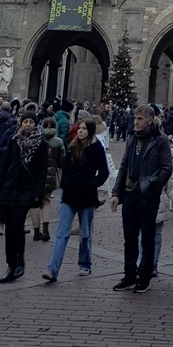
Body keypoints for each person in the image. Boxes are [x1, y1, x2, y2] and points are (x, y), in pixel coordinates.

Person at [110, 105, 172, 294]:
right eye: (135, 118)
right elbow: (124, 165)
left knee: (147, 239)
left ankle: (144, 277)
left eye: (139, 119)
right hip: (129, 194)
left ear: (150, 121)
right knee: (129, 239)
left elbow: (166, 168)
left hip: (147, 195)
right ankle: (129, 275)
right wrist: (116, 193)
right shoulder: (131, 137)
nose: (135, 122)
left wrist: (153, 186)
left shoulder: (159, 140)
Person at [43, 119, 109, 282]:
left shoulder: (96, 149)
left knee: (85, 233)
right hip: (69, 195)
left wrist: (92, 184)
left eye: (84, 129)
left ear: (90, 131)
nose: (80, 131)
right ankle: (52, 269)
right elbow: (65, 167)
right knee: (62, 233)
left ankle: (85, 263)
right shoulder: (72, 146)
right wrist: (66, 183)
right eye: (79, 128)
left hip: (86, 196)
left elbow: (104, 172)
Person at [0, 114, 48, 283]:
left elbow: (42, 171)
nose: (28, 124)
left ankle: (20, 261)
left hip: (26, 189)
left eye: (31, 122)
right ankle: (11, 265)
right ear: (21, 123)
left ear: (36, 124)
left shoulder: (40, 144)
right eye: (25, 121)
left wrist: (38, 194)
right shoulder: (14, 140)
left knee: (17, 224)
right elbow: (5, 164)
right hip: (9, 188)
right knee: (9, 229)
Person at [30, 117, 66, 243]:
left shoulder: (36, 139)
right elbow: (62, 161)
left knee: (34, 203)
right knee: (46, 201)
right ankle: (45, 230)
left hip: (36, 175)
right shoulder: (59, 141)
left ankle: (36, 231)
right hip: (50, 175)